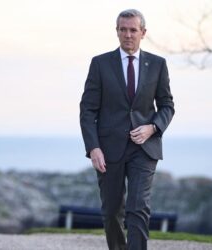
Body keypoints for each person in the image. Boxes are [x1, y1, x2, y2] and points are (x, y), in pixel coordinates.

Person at [79, 9, 175, 250]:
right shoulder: (100, 64)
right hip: (108, 150)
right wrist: (93, 148)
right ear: (117, 31)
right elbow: (87, 110)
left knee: (138, 207)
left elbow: (167, 106)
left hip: (144, 148)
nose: (128, 35)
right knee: (112, 212)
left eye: (133, 30)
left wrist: (152, 127)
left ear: (143, 32)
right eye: (123, 29)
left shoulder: (158, 64)